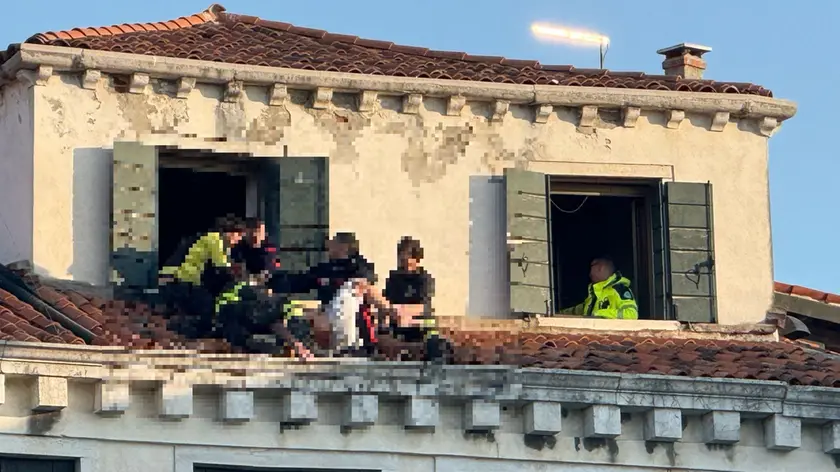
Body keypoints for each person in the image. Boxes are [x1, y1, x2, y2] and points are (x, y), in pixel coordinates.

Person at [158, 216, 247, 338]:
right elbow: (220, 264)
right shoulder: (215, 239)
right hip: (181, 279)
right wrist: (241, 277)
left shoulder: (207, 238)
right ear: (231, 233)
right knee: (207, 307)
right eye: (239, 237)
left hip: (176, 278)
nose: (237, 241)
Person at [381, 237, 451, 362]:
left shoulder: (424, 279)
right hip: (398, 325)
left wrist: (401, 310)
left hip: (421, 325)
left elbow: (424, 306)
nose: (403, 262)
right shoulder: (393, 279)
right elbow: (386, 303)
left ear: (416, 259)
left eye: (407, 258)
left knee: (433, 343)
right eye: (401, 258)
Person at [558, 256, 639, 320]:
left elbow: (631, 314)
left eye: (591, 266)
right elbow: (578, 310)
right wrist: (557, 314)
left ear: (601, 268)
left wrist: (599, 314)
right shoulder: (594, 295)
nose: (589, 273)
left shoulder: (619, 290)